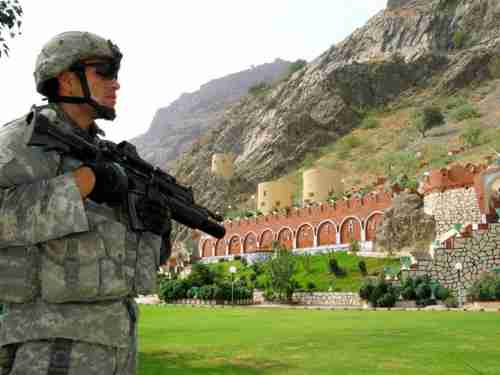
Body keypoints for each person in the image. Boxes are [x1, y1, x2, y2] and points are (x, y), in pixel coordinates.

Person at [0, 31, 171, 374]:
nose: (116, 84)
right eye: (104, 71)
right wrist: (85, 182)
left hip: (116, 344)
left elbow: (121, 259)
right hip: (51, 348)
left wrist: (159, 230)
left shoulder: (111, 157)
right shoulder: (23, 142)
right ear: (65, 79)